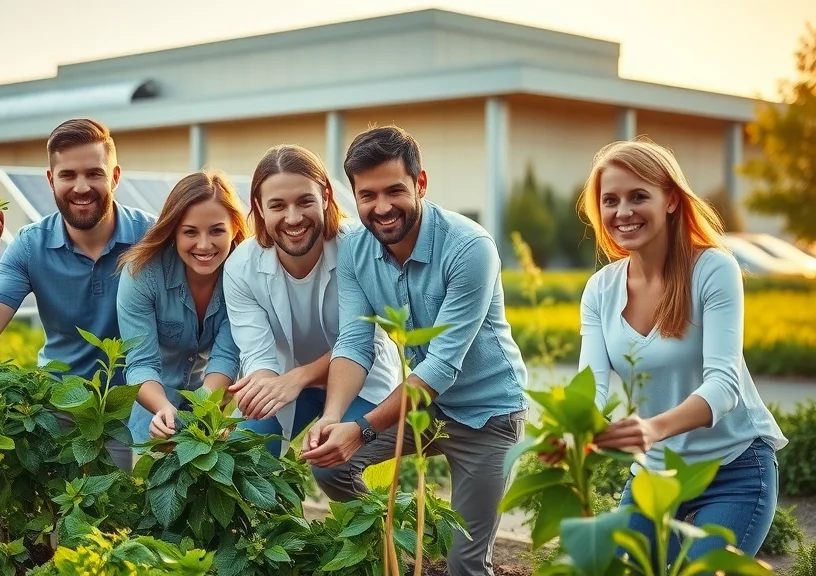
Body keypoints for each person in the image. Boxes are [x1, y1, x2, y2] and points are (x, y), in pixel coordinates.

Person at [300, 125, 530, 576]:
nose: (382, 208)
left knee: (466, 567)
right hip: (423, 410)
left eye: (395, 190)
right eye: (367, 196)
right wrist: (332, 418)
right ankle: (397, 557)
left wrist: (362, 429)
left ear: (420, 183)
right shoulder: (355, 252)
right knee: (331, 469)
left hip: (488, 416)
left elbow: (442, 366)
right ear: (353, 195)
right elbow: (354, 341)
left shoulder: (469, 248)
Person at [574, 138, 787, 565]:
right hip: (654, 475)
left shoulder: (713, 269)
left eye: (639, 196)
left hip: (735, 471)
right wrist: (575, 434)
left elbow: (724, 387)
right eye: (610, 200)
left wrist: (651, 429)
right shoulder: (600, 289)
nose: (623, 212)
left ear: (671, 199)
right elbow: (592, 388)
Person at [0, 118, 156, 471]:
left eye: (94, 173)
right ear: (52, 180)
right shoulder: (31, 246)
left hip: (139, 404)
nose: (81, 187)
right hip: (59, 406)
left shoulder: (153, 238)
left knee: (130, 513)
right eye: (68, 175)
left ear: (114, 176)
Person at [223, 144, 399, 458]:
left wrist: (299, 377)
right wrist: (263, 383)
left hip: (363, 380)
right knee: (244, 454)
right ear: (259, 208)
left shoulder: (358, 248)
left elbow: (360, 340)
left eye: (305, 201)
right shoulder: (241, 267)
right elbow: (257, 353)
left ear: (326, 197)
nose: (293, 218)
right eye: (277, 205)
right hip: (287, 381)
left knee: (336, 462)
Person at [116, 170, 246, 445]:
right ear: (173, 231)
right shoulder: (142, 274)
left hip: (211, 397)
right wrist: (164, 410)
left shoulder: (244, 276)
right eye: (190, 232)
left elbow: (226, 358)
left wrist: (199, 415)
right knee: (145, 473)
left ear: (234, 227)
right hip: (153, 400)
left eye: (217, 231)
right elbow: (140, 363)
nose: (204, 244)